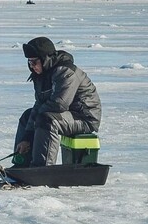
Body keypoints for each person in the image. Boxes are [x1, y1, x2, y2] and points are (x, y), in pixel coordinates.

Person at [14, 37, 101, 166]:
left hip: (84, 117)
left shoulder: (66, 72)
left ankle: (42, 167)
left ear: (46, 59)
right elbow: (39, 104)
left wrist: (37, 118)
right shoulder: (40, 75)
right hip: (66, 115)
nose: (32, 66)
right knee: (28, 115)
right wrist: (27, 136)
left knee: (47, 120)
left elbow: (59, 104)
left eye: (34, 62)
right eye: (29, 62)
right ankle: (22, 162)